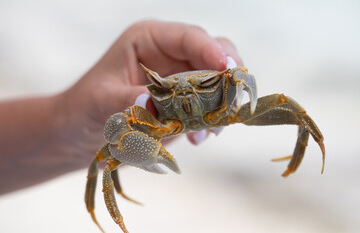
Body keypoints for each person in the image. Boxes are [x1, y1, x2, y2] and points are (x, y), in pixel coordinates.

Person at [0, 20, 243, 195]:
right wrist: (67, 130)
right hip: (160, 123)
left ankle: (285, 165)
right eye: (163, 86)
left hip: (218, 108)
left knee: (275, 100)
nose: (186, 98)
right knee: (106, 160)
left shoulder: (228, 85)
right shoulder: (142, 115)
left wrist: (241, 92)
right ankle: (117, 221)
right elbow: (112, 139)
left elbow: (244, 79)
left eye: (204, 85)